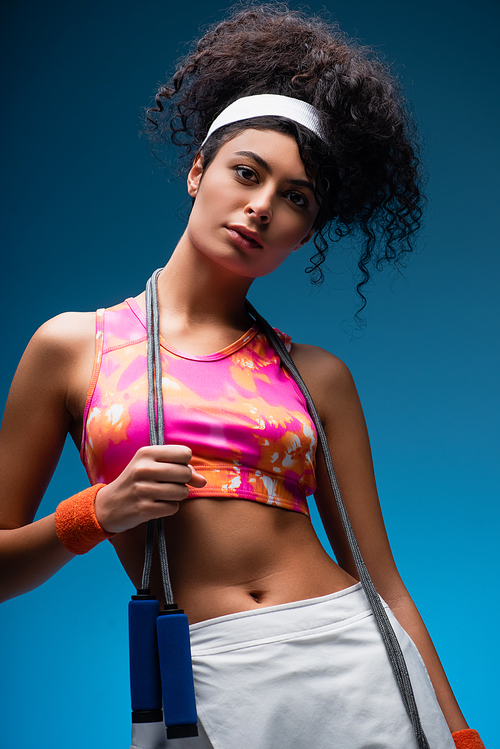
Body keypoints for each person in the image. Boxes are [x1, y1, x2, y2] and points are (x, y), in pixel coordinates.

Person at [0, 4, 486, 749]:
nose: (262, 207)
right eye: (246, 173)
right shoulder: (75, 346)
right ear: (199, 171)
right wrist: (96, 511)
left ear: (307, 230)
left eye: (296, 198)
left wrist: (459, 734)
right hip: (200, 673)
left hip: (356, 661)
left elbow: (384, 579)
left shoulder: (319, 376)